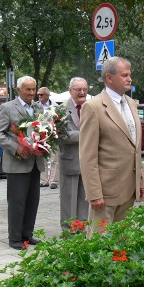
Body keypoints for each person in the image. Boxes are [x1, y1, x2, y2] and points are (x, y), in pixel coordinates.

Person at [80, 57, 144, 235]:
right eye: (124, 75)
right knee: (100, 247)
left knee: (122, 246)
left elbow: (135, 148)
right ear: (109, 78)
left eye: (129, 75)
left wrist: (140, 181)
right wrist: (94, 193)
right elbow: (87, 156)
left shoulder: (131, 103)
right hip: (106, 193)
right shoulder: (93, 107)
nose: (129, 79)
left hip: (129, 189)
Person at [0, 76, 45, 249]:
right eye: (27, 89)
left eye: (33, 89)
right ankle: (15, 238)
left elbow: (43, 130)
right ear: (18, 90)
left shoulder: (38, 107)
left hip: (35, 161)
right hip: (17, 162)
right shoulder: (8, 108)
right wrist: (16, 148)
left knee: (32, 201)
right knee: (17, 202)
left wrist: (44, 144)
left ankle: (27, 235)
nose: (31, 93)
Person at [57, 78, 89, 231]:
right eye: (78, 89)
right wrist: (86, 134)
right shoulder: (61, 110)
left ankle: (82, 230)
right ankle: (68, 231)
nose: (82, 92)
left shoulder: (92, 107)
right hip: (70, 161)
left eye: (84, 89)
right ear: (70, 91)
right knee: (68, 199)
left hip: (89, 162)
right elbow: (61, 135)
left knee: (85, 200)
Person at [38, 86, 59, 189]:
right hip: (40, 135)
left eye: (41, 95)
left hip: (52, 135)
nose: (39, 96)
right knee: (43, 158)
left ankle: (54, 181)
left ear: (47, 95)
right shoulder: (35, 106)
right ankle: (43, 180)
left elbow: (59, 120)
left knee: (54, 158)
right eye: (38, 95)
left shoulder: (54, 106)